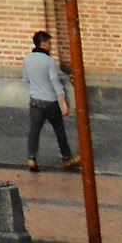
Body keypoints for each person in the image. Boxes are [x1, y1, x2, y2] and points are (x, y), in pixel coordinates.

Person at [23, 29, 81, 172]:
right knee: (59, 129)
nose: (50, 46)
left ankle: (32, 158)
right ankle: (66, 157)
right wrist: (63, 103)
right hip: (50, 101)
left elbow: (26, 80)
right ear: (43, 44)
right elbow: (55, 81)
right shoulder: (49, 61)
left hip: (35, 101)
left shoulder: (27, 59)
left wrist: (32, 93)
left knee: (34, 130)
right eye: (49, 43)